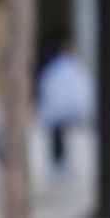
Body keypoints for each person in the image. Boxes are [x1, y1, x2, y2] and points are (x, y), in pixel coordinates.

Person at [36, 41, 94, 176]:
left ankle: (61, 161)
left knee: (62, 135)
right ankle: (61, 161)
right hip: (66, 109)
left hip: (61, 109)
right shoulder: (71, 67)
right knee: (62, 136)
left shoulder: (64, 67)